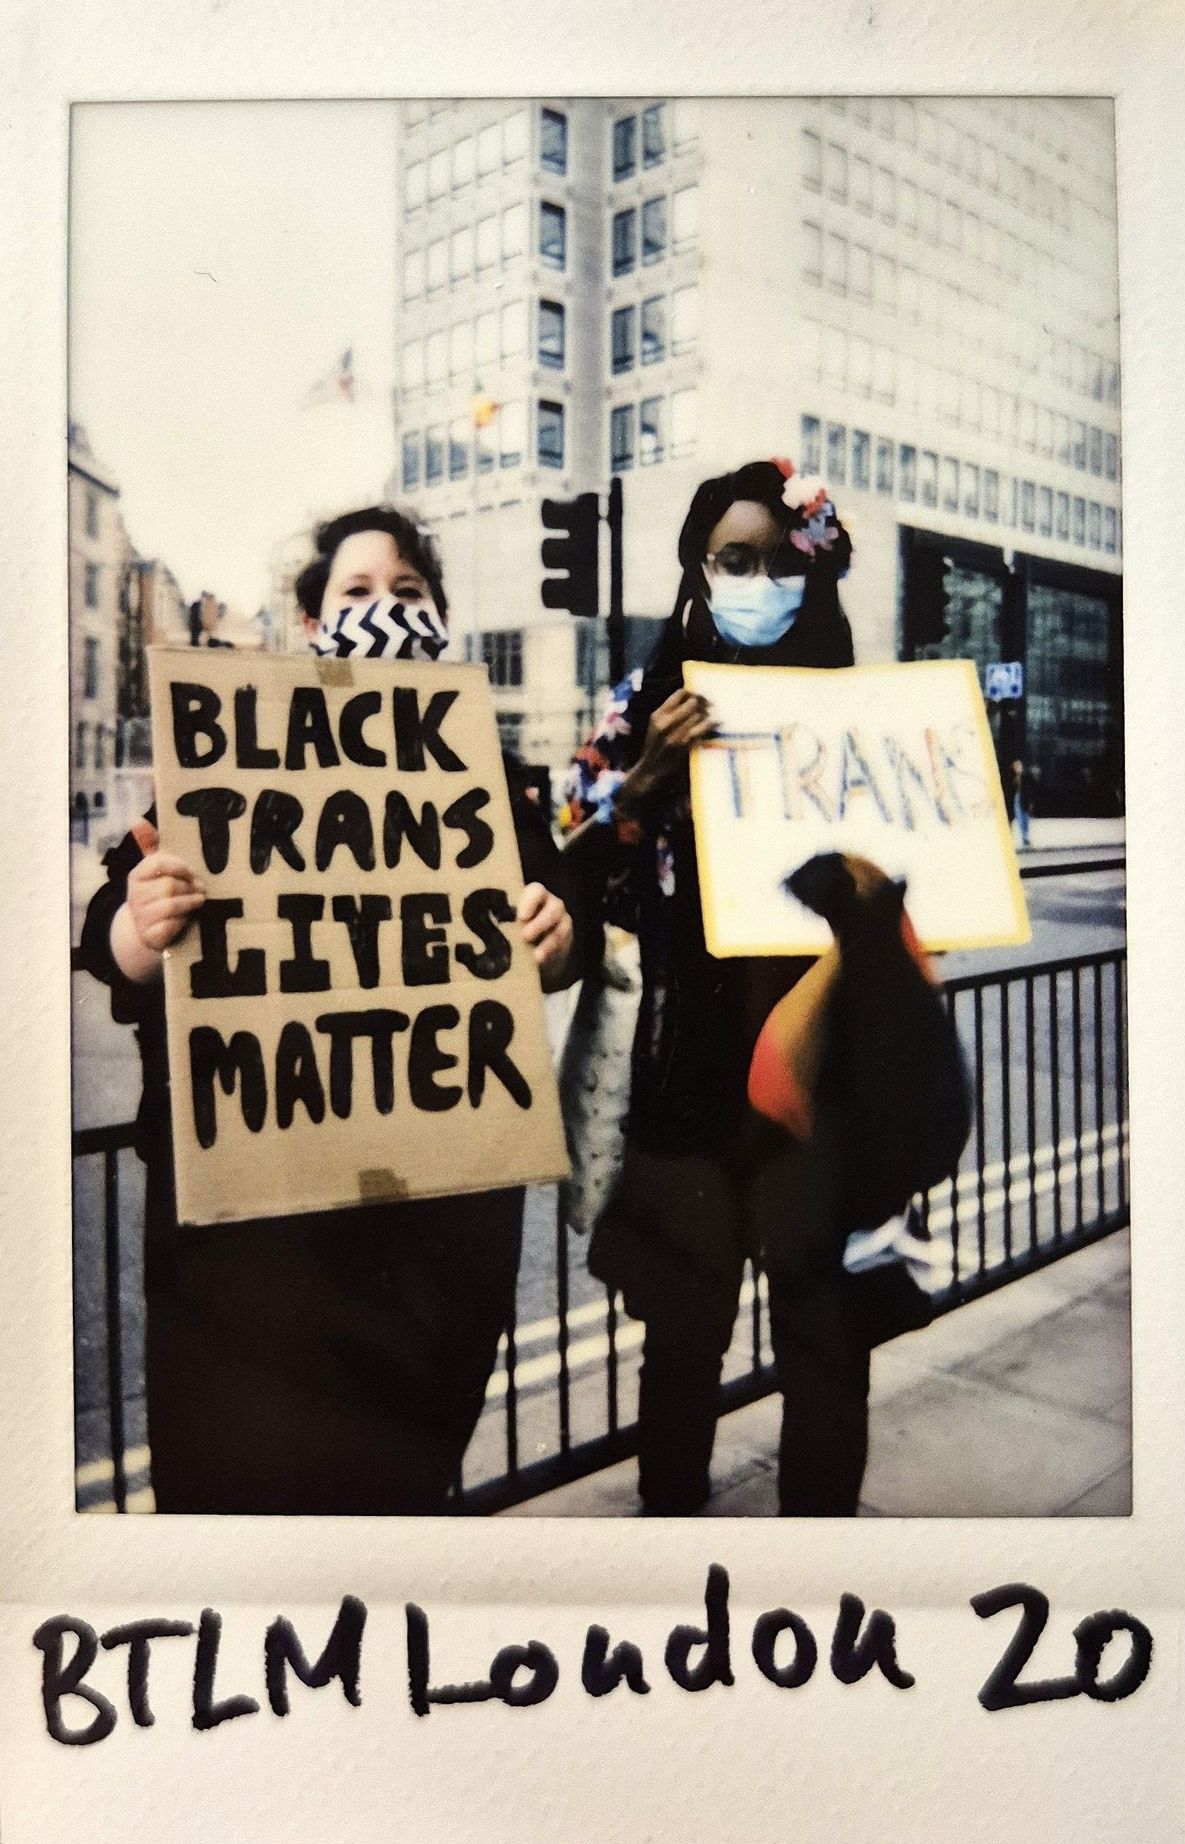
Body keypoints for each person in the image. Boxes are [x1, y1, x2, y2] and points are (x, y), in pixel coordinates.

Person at [80, 505, 598, 1515]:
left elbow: (555, 921)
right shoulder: (226, 748)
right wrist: (138, 930)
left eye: (409, 594)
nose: (385, 612)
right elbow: (115, 912)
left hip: (427, 1264)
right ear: (312, 625)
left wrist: (557, 933)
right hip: (254, 1266)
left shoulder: (484, 782)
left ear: (442, 621)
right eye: (356, 594)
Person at [571, 458, 934, 1517]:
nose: (759, 579)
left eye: (782, 561)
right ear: (697, 567)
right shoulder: (642, 703)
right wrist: (639, 786)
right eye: (736, 559)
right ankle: (671, 1527)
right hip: (689, 1083)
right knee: (682, 1343)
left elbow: (909, 888)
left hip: (822, 1089)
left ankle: (817, 1561)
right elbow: (566, 867)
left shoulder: (859, 715)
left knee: (828, 1339)